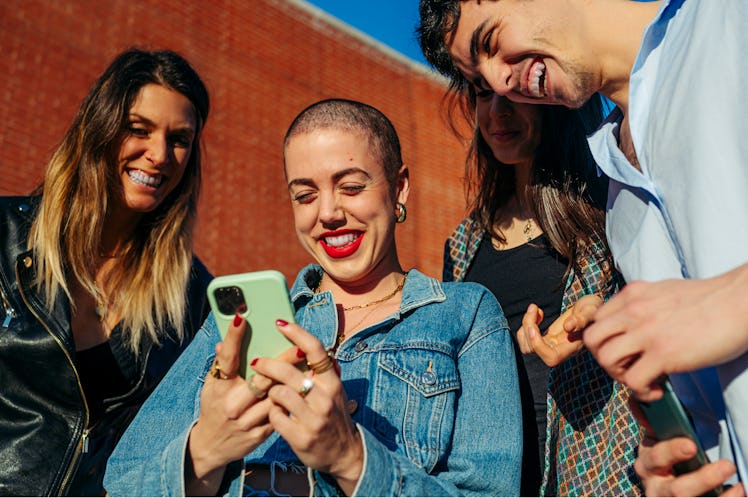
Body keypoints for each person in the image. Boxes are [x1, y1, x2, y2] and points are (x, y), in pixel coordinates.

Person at [104, 98, 522, 496]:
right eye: (304, 195)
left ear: (399, 188)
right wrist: (205, 450)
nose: (327, 213)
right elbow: (120, 485)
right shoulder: (233, 322)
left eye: (352, 187)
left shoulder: (466, 314)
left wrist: (351, 458)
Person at [418, 0, 748, 496]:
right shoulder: (622, 199)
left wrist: (727, 301)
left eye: (492, 41)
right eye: (478, 83)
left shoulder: (724, 21)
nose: (502, 87)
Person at [0, 48, 212, 496]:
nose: (159, 155)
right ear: (100, 127)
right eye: (139, 130)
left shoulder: (192, 296)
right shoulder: (5, 236)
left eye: (179, 139)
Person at [438, 68, 642, 495]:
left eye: (514, 92)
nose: (497, 111)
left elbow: (673, 305)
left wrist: (607, 317)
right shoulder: (461, 246)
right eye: (481, 94)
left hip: (596, 477)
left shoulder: (610, 206)